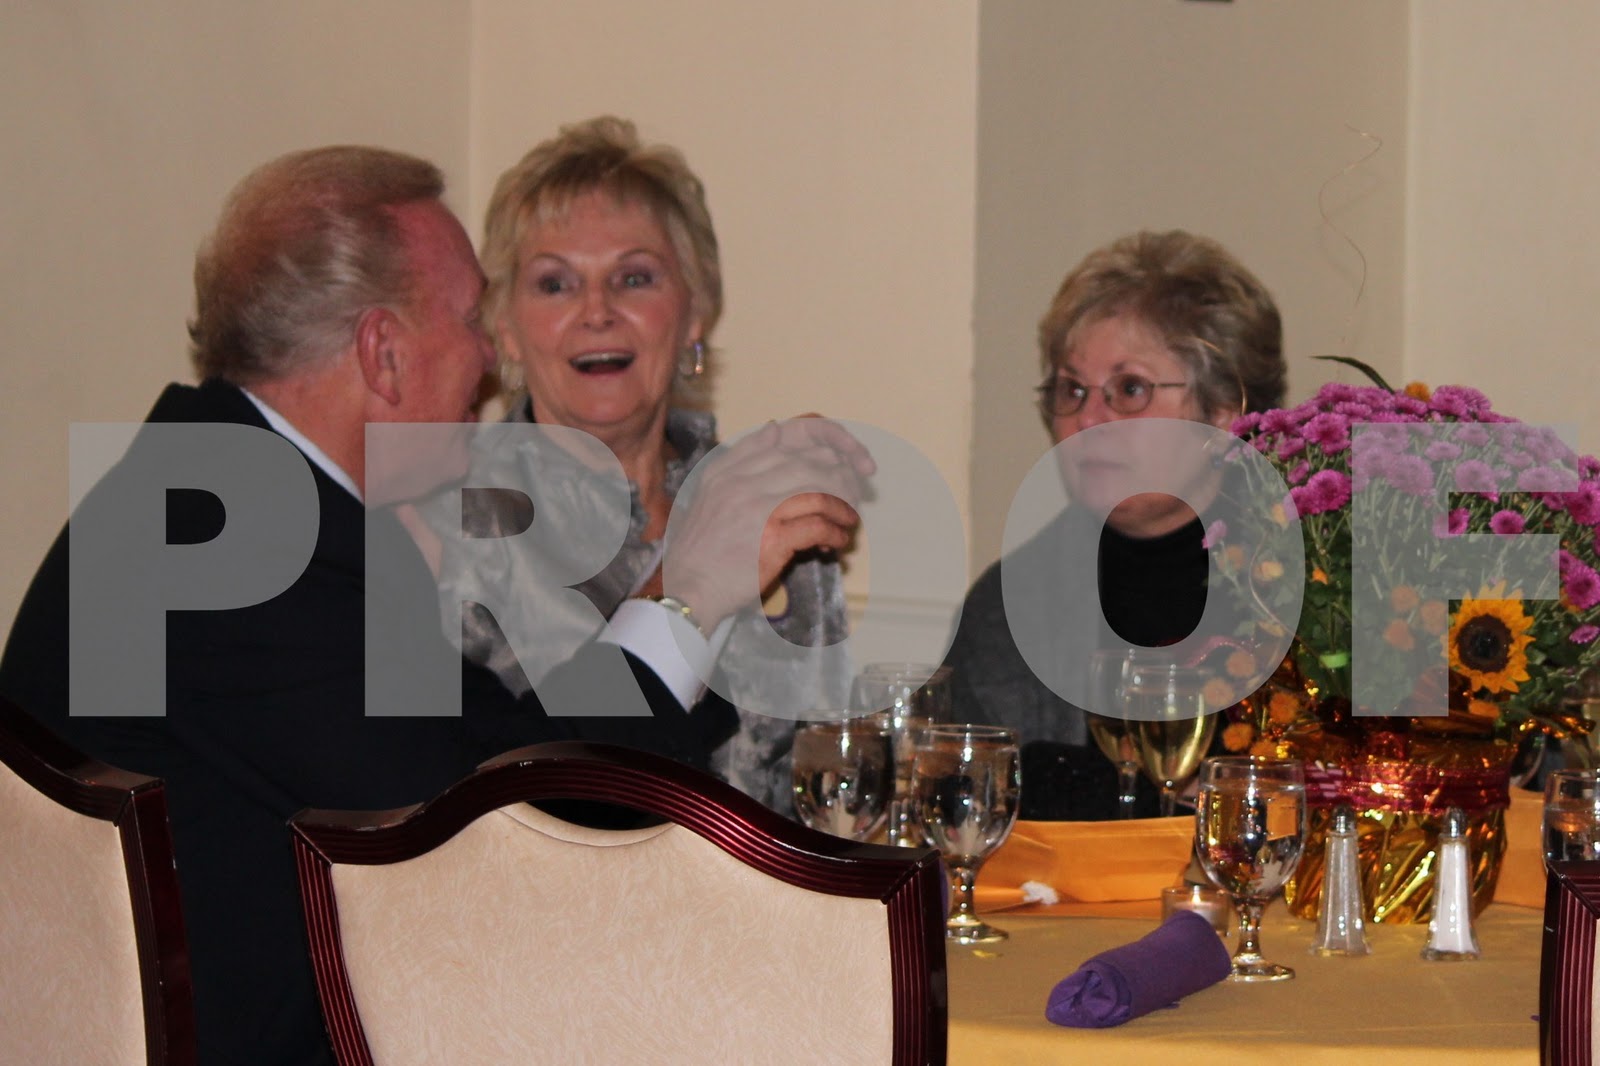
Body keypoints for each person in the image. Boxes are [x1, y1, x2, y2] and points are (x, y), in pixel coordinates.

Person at [0, 145, 870, 1065]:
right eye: (468, 321)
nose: (490, 359)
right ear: (383, 352)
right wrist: (686, 596)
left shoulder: (236, 505)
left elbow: (497, 754)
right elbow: (501, 842)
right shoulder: (232, 546)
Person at [426, 116, 848, 811]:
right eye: (555, 285)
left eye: (634, 277)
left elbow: (831, 781)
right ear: (504, 328)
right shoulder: (448, 527)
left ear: (695, 313)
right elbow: (481, 802)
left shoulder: (767, 504)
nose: (598, 311)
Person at [943, 229, 1286, 819]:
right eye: (1071, 389)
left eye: (1129, 389)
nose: (1087, 420)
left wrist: (1058, 776)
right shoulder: (1011, 605)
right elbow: (970, 810)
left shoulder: (1320, 589)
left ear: (1223, 415)